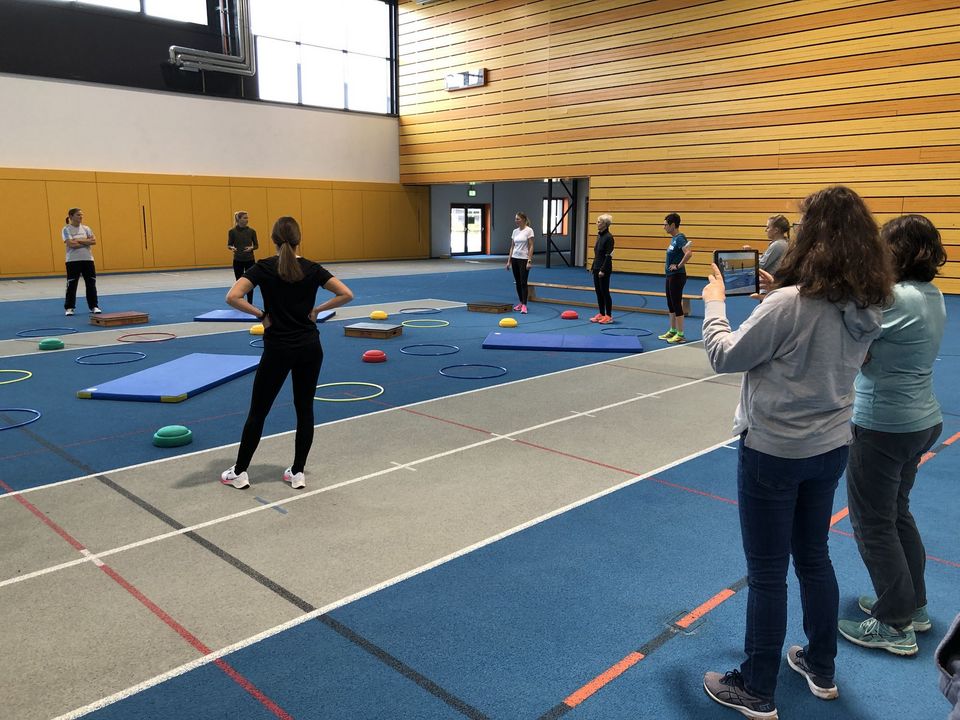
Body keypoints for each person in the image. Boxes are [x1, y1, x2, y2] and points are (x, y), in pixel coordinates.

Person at [700, 185, 894, 719]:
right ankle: (821, 665)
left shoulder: (790, 306)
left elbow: (724, 355)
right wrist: (778, 295)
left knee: (767, 573)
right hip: (830, 446)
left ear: (815, 239)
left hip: (774, 451)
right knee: (813, 557)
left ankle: (757, 687)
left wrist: (715, 306)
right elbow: (816, 334)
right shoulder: (868, 304)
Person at [839, 214, 947, 656]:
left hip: (885, 423)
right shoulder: (931, 293)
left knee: (873, 524)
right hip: (921, 419)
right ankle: (911, 604)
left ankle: (893, 622)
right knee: (897, 514)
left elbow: (848, 339)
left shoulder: (894, 298)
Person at [221, 216, 353, 491]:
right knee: (304, 410)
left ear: (272, 240)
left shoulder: (264, 268)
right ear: (299, 239)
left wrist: (261, 315)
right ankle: (297, 472)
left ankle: (240, 472)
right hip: (309, 348)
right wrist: (317, 311)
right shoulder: (312, 269)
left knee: (258, 411)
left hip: (278, 349)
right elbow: (346, 294)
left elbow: (232, 297)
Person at [659, 212, 692, 342]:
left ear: (673, 225)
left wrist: (678, 266)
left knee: (677, 304)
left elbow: (688, 253)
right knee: (670, 303)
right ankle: (672, 330)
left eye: (665, 225)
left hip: (677, 276)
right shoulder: (673, 239)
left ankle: (680, 334)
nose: (664, 227)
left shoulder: (680, 238)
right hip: (670, 275)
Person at [62, 208, 101, 316]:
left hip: (88, 260)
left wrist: (78, 240)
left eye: (81, 215)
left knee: (91, 283)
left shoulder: (86, 228)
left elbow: (93, 241)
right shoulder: (66, 229)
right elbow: (71, 244)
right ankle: (69, 307)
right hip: (73, 261)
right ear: (71, 216)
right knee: (72, 284)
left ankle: (94, 306)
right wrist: (86, 242)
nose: (81, 217)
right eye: (78, 215)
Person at [505, 211, 534, 313]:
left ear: (524, 220)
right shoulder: (515, 231)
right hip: (515, 258)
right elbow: (512, 246)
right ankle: (521, 302)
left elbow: (531, 246)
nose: (516, 221)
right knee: (517, 282)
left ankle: (525, 305)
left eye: (518, 219)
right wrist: (509, 261)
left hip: (524, 259)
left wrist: (529, 261)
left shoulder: (529, 230)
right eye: (515, 219)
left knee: (523, 282)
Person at [228, 210, 259, 304]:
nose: (247, 220)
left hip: (250, 260)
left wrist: (251, 248)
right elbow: (229, 244)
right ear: (239, 219)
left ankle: (250, 303)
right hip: (238, 260)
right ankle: (240, 303)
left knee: (250, 282)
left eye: (247, 218)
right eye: (245, 218)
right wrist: (232, 247)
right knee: (239, 282)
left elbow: (257, 245)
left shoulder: (252, 231)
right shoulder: (232, 231)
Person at [590, 214, 614, 323]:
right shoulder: (599, 236)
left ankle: (608, 315)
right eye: (597, 221)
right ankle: (601, 313)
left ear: (605, 224)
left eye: (599, 222)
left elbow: (608, 255)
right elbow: (597, 253)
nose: (597, 223)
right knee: (598, 292)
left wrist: (602, 270)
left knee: (605, 292)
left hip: (604, 269)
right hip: (596, 267)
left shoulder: (609, 237)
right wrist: (593, 266)